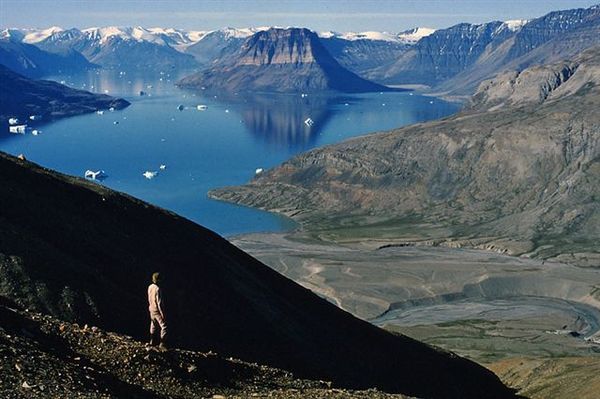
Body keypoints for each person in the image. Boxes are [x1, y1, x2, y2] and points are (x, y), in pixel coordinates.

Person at [148, 272, 167, 349]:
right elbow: (159, 303)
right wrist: (163, 314)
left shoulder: (150, 287)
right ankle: (162, 344)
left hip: (151, 308)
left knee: (153, 325)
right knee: (164, 326)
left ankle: (151, 341)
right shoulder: (158, 289)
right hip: (157, 310)